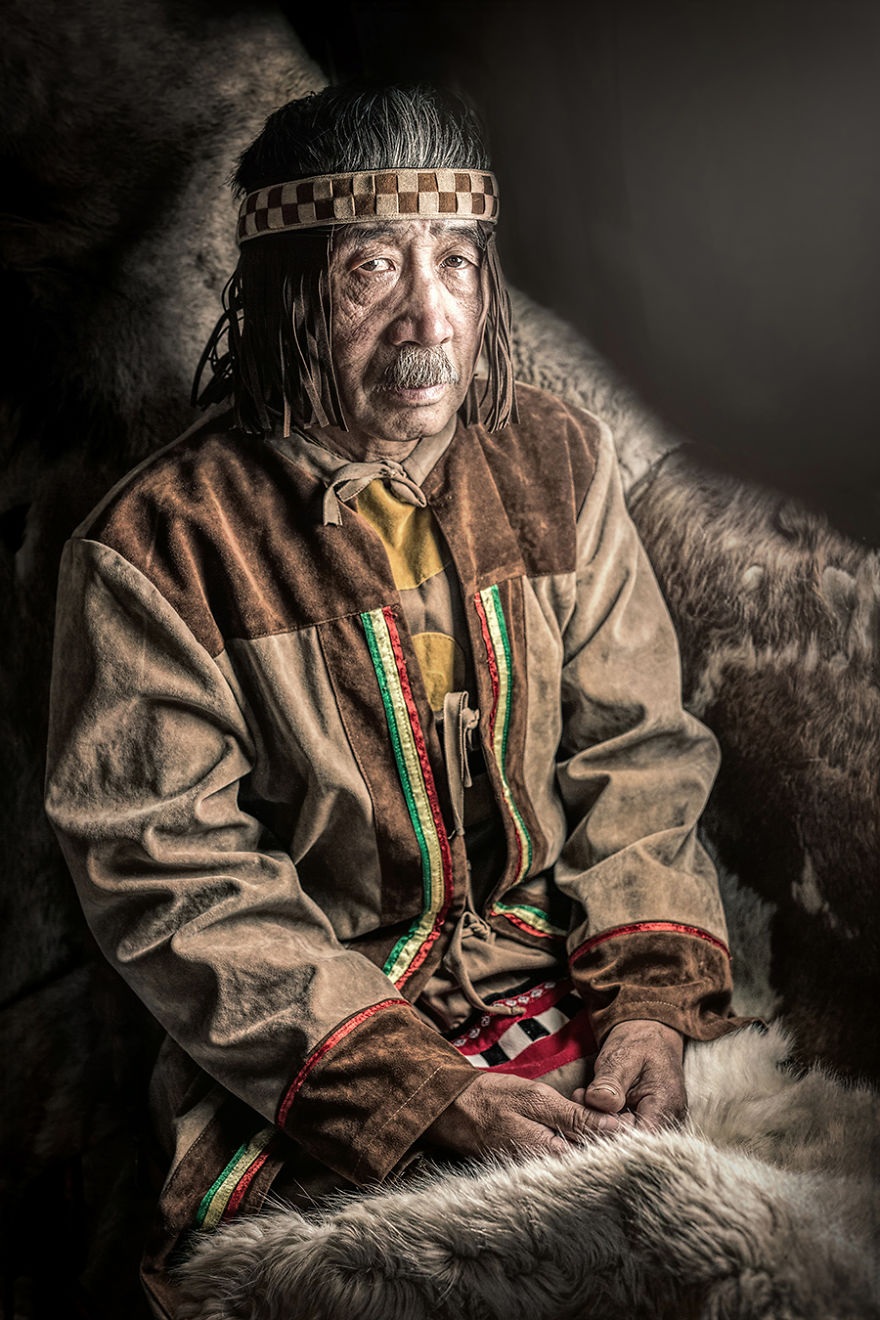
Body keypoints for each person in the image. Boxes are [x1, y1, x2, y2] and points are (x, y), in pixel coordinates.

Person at [45, 83, 745, 1317]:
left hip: (558, 957)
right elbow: (172, 875)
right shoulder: (156, 548)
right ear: (283, 294)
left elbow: (635, 752)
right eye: (371, 268)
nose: (430, 318)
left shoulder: (556, 460)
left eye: (459, 264)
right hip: (314, 1029)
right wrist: (423, 1094)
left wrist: (645, 1004)